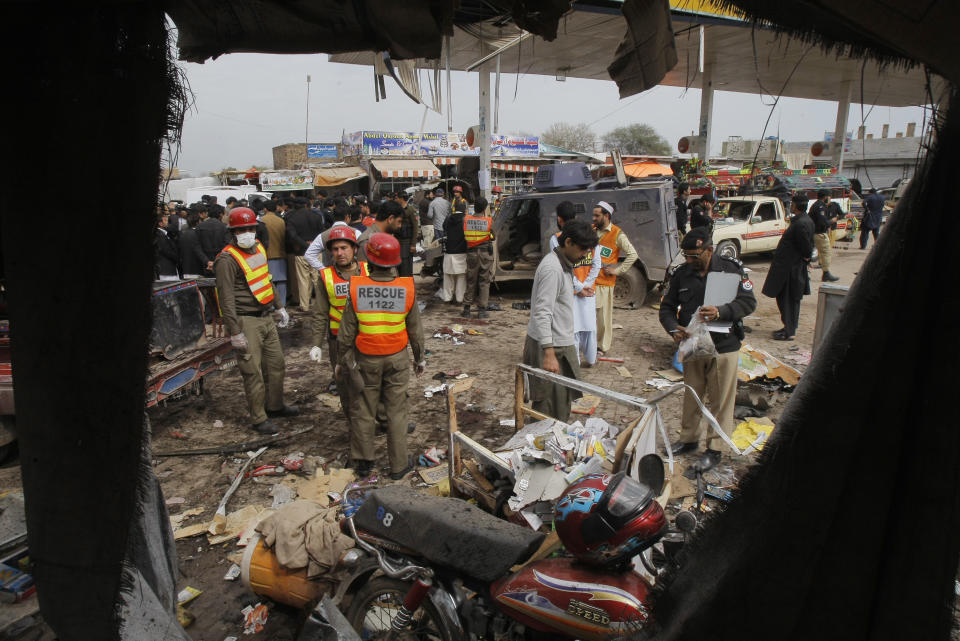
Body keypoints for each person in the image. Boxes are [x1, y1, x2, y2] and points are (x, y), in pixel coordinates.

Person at [659, 226, 757, 472]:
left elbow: (748, 302)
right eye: (687, 256)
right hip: (693, 344)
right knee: (693, 394)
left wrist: (721, 311)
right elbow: (667, 308)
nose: (690, 260)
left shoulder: (731, 270)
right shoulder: (682, 274)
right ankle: (689, 439)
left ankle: (715, 449)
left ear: (709, 249)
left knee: (720, 400)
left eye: (695, 255)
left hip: (724, 346)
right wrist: (673, 329)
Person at [337, 233, 425, 479]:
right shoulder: (406, 287)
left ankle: (363, 463)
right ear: (395, 261)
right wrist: (419, 359)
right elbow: (415, 330)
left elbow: (346, 333)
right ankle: (398, 467)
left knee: (363, 409)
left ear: (370, 259)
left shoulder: (357, 287)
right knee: (397, 412)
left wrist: (341, 361)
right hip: (397, 359)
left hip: (366, 360)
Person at [214, 207, 298, 433]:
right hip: (245, 320)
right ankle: (259, 418)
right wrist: (234, 331)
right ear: (233, 232)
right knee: (253, 372)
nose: (247, 232)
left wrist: (279, 307)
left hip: (266, 316)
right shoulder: (227, 260)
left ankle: (275, 405)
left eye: (250, 228)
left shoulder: (258, 248)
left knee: (276, 365)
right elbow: (226, 298)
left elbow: (266, 279)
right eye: (241, 229)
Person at [522, 220, 595, 421]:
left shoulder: (563, 264)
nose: (584, 255)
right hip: (550, 345)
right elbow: (542, 312)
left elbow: (557, 296)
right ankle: (540, 448)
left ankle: (556, 443)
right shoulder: (552, 268)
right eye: (582, 249)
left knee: (562, 399)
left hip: (561, 342)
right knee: (546, 404)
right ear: (569, 242)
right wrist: (548, 353)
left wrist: (577, 290)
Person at [310, 226, 369, 404]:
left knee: (371, 381)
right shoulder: (325, 276)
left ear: (355, 249)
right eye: (335, 249)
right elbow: (320, 312)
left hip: (366, 336)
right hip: (338, 341)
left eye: (344, 248)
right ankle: (355, 423)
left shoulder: (369, 271)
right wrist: (316, 344)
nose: (340, 253)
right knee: (345, 383)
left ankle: (379, 419)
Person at [550, 201, 601, 366]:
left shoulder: (557, 239)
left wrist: (578, 287)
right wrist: (587, 284)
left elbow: (561, 266)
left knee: (573, 329)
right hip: (588, 290)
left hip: (571, 291)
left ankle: (575, 363)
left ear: (559, 219)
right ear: (576, 216)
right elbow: (597, 264)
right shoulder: (590, 236)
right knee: (589, 327)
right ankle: (591, 359)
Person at [762, 194, 815, 341]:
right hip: (789, 267)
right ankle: (788, 327)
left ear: (795, 206)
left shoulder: (801, 224)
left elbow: (806, 248)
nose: (790, 206)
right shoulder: (803, 220)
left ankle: (789, 331)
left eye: (792, 204)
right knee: (786, 299)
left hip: (791, 269)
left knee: (789, 300)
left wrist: (806, 258)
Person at [592, 201, 638, 354]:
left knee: (603, 318)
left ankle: (602, 346)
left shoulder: (617, 234)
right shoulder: (593, 231)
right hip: (590, 281)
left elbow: (633, 255)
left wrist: (617, 271)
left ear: (606, 216)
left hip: (605, 283)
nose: (594, 218)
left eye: (597, 216)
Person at [285, 197, 326, 312]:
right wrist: (313, 245)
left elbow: (292, 236)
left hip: (301, 252)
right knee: (317, 279)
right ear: (307, 205)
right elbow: (321, 233)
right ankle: (320, 304)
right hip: (316, 252)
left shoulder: (292, 219)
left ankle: (305, 305)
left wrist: (304, 244)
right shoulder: (316, 216)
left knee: (303, 280)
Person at [462, 196, 496, 319]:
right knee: (484, 281)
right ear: (484, 208)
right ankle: (482, 310)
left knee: (471, 281)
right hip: (485, 254)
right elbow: (493, 236)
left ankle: (466, 309)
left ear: (474, 207)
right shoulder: (489, 221)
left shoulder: (466, 220)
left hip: (471, 254)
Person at [260, 199, 288, 308]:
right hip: (280, 253)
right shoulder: (281, 221)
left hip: (267, 255)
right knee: (281, 281)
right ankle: (282, 304)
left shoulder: (261, 221)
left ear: (265, 209)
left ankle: (271, 304)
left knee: (269, 281)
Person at [809, 189, 840, 281]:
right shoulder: (820, 206)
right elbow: (822, 222)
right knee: (826, 252)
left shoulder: (817, 205)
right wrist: (832, 221)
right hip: (819, 233)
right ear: (825, 197)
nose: (830, 198)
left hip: (814, 232)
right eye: (829, 196)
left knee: (809, 253)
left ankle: (822, 273)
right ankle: (826, 273)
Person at [442, 200, 468, 303]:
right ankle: (459, 299)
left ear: (455, 209)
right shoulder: (465, 220)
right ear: (464, 210)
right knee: (461, 278)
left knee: (448, 277)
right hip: (462, 252)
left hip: (449, 252)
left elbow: (444, 228)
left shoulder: (448, 218)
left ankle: (447, 298)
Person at [196, 204, 230, 274]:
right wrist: (217, 261)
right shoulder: (224, 227)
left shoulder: (200, 227)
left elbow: (197, 247)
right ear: (221, 214)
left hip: (205, 264)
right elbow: (227, 246)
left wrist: (207, 261)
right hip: (221, 264)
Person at [394, 191, 420, 277]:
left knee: (406, 266)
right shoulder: (396, 210)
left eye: (397, 198)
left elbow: (415, 227)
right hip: (397, 241)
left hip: (406, 243)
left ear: (401, 199)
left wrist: (413, 244)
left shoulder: (411, 210)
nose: (396, 199)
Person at [178, 211, 208, 278]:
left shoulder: (183, 235)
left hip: (185, 269)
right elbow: (199, 250)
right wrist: (207, 261)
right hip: (197, 269)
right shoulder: (198, 234)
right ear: (197, 222)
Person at [154, 213, 179, 280]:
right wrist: (177, 258)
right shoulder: (160, 235)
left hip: (168, 268)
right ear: (160, 223)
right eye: (165, 220)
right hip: (166, 269)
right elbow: (167, 251)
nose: (167, 222)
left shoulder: (164, 234)